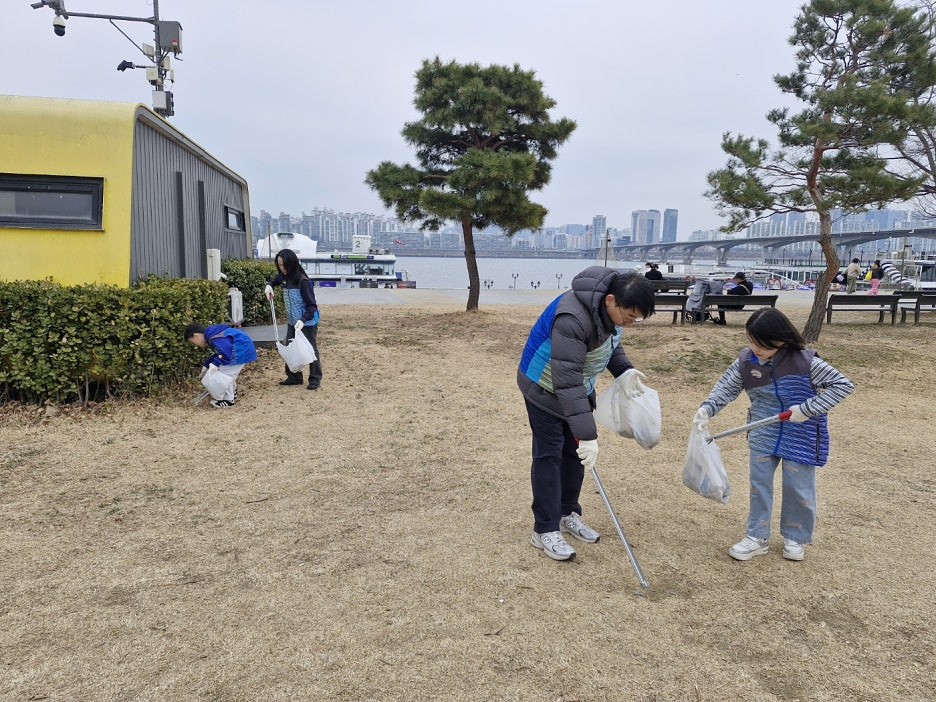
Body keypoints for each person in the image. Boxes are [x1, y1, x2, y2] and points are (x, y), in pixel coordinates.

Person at [693, 308, 854, 562]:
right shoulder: (746, 361)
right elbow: (726, 388)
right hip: (762, 431)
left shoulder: (805, 361)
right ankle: (757, 537)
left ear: (782, 338)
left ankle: (795, 536)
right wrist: (707, 408)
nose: (756, 348)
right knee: (760, 486)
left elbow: (843, 385)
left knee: (798, 488)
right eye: (752, 341)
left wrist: (807, 409)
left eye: (763, 343)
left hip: (801, 435)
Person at [517, 267, 656, 561]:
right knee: (549, 455)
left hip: (574, 388)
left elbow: (609, 343)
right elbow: (565, 379)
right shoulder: (572, 318)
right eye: (629, 316)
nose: (630, 324)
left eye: (636, 318)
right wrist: (587, 434)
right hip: (543, 386)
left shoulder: (609, 312)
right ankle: (544, 529)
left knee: (574, 454)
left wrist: (625, 370)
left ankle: (568, 512)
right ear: (610, 301)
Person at [265, 248, 323, 390]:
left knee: (310, 349)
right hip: (292, 320)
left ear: (291, 263)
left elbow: (312, 306)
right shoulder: (283, 277)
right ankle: (294, 377)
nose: (281, 268)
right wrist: (270, 285)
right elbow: (276, 279)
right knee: (290, 345)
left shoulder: (303, 281)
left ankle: (315, 378)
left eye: (284, 265)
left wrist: (302, 320)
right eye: (279, 265)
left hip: (307, 322)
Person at [185, 322, 258, 408]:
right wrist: (207, 364)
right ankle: (232, 394)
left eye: (193, 342)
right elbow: (218, 352)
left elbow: (225, 352)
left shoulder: (214, 337)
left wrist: (215, 364)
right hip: (243, 349)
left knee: (224, 375)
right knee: (229, 374)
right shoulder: (212, 334)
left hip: (239, 352)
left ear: (196, 336)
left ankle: (228, 400)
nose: (195, 344)